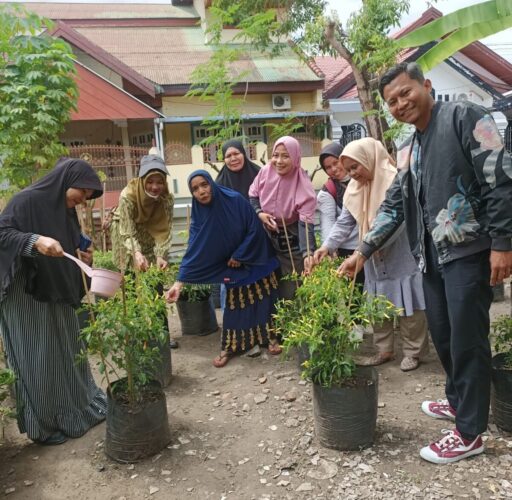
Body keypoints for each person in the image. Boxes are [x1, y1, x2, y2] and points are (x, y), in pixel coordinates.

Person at [340, 62, 512, 464]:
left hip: (470, 251)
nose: (400, 103)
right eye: (392, 101)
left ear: (426, 85)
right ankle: (458, 402)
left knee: (468, 338)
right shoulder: (410, 146)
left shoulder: (465, 116)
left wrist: (503, 241)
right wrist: (362, 252)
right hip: (432, 256)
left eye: (405, 93)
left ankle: (470, 433)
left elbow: (500, 177)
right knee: (445, 335)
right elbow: (396, 203)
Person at [0, 158, 107, 445]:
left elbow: (72, 242)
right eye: (82, 192)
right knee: (39, 356)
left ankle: (76, 409)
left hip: (55, 290)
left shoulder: (65, 210)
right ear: (65, 178)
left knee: (68, 349)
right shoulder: (25, 201)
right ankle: (44, 425)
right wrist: (35, 241)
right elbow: (3, 234)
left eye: (87, 197)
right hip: (26, 295)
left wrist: (85, 254)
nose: (83, 200)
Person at [314, 138, 428, 371]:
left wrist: (365, 250)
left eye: (355, 166)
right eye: (348, 169)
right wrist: (327, 246)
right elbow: (345, 222)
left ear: (370, 158)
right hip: (370, 258)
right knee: (377, 305)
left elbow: (398, 223)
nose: (351, 173)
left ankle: (413, 352)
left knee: (410, 306)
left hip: (400, 254)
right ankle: (384, 350)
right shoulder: (355, 190)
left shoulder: (395, 181)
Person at [165, 170, 281, 367]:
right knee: (235, 305)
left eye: (204, 184)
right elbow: (194, 248)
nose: (201, 191)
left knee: (264, 298)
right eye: (195, 189)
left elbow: (254, 228)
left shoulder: (235, 199)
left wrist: (240, 255)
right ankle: (229, 347)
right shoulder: (199, 216)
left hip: (255, 257)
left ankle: (271, 338)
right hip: (231, 268)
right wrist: (179, 283)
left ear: (211, 183)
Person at [110, 154, 178, 349]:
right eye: (150, 182)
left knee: (155, 281)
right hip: (125, 235)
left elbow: (165, 230)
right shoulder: (128, 196)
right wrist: (137, 254)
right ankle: (137, 336)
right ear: (142, 180)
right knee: (132, 284)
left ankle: (161, 335)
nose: (155, 187)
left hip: (151, 235)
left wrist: (160, 255)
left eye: (159, 182)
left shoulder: (166, 199)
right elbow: (127, 232)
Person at [248, 136, 317, 299]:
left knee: (293, 283)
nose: (279, 161)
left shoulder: (302, 183)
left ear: (295, 157)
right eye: (275, 155)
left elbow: (305, 222)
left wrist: (308, 253)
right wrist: (260, 213)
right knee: (269, 284)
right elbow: (253, 196)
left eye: (286, 156)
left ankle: (294, 320)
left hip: (290, 237)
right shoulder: (265, 172)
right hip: (265, 234)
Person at [216, 140, 261, 310]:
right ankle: (230, 331)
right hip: (232, 250)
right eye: (228, 156)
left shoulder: (260, 175)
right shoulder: (219, 184)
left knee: (260, 289)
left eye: (236, 154)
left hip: (259, 243)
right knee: (229, 291)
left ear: (244, 153)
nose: (233, 158)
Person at [317, 142, 364, 286]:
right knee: (355, 296)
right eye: (328, 167)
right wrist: (328, 248)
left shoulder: (363, 179)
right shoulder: (328, 191)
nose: (334, 169)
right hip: (348, 249)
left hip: (373, 246)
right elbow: (332, 223)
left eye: (336, 163)